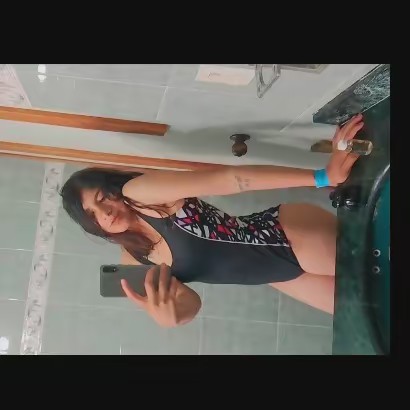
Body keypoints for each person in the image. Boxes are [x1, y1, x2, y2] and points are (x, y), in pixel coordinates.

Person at [61, 114, 364, 328]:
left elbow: (231, 179)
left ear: (114, 189)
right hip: (278, 274)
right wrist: (172, 318)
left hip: (283, 235)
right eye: (92, 215)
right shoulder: (132, 257)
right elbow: (191, 301)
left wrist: (323, 176)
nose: (105, 213)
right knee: (369, 315)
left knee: (380, 277)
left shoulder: (139, 194)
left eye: (103, 198)